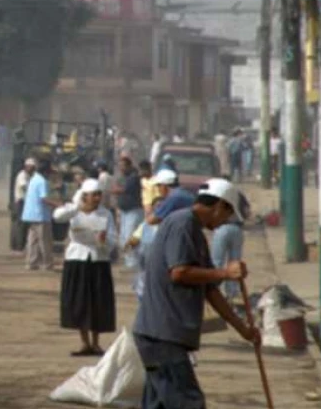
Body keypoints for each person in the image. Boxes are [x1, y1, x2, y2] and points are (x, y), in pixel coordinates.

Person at [133, 179, 260, 408]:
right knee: (188, 403)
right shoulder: (182, 224)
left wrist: (243, 329)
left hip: (165, 335)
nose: (223, 224)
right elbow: (179, 273)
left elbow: (210, 290)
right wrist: (225, 272)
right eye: (226, 216)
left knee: (158, 403)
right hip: (162, 334)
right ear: (219, 206)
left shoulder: (195, 233)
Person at [54, 178, 117, 356]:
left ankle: (96, 342)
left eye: (99, 195)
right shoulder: (73, 211)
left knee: (97, 301)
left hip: (98, 260)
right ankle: (84, 342)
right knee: (80, 301)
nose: (97, 198)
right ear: (84, 196)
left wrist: (105, 242)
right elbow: (58, 216)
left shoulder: (106, 214)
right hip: (78, 259)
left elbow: (113, 238)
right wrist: (77, 207)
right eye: (93, 195)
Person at [21, 159, 60, 271]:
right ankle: (47, 264)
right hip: (40, 215)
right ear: (46, 171)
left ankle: (31, 263)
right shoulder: (42, 181)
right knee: (45, 241)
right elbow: (44, 199)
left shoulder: (34, 179)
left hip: (30, 214)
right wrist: (57, 204)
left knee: (33, 241)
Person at [125, 197, 165, 301]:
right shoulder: (145, 225)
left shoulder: (170, 225)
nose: (159, 210)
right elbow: (134, 240)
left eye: (162, 207)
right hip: (145, 267)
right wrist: (130, 245)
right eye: (157, 207)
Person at [111, 157, 144, 267]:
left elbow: (122, 190)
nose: (121, 168)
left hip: (134, 211)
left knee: (131, 236)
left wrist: (116, 189)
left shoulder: (133, 177)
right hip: (125, 211)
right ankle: (129, 261)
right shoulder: (125, 177)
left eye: (123, 166)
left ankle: (133, 262)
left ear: (129, 166)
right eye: (120, 166)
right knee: (124, 237)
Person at [11, 158, 36, 252]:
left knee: (25, 225)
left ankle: (22, 245)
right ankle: (19, 247)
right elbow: (24, 186)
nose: (32, 169)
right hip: (21, 202)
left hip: (26, 202)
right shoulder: (22, 175)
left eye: (33, 167)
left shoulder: (30, 176)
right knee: (21, 225)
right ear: (26, 166)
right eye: (30, 167)